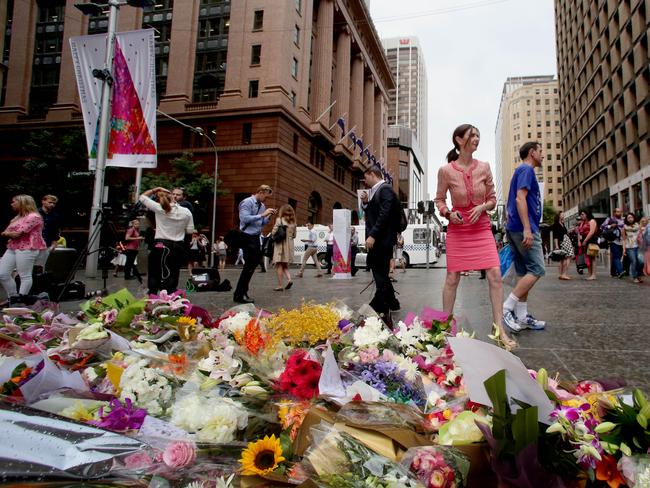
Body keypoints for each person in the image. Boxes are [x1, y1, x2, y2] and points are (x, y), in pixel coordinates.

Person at [435, 124, 516, 350]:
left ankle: (499, 328)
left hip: (481, 227)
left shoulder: (485, 167)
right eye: (472, 135)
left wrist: (482, 208)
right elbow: (439, 200)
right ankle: (443, 329)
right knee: (452, 278)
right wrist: (448, 213)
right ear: (459, 140)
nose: (477, 139)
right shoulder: (446, 171)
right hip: (457, 230)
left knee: (495, 274)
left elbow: (491, 198)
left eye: (479, 135)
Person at [502, 141, 547, 335]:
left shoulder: (521, 171)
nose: (543, 155)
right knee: (537, 269)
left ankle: (522, 316)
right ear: (532, 153)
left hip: (515, 227)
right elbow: (520, 199)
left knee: (524, 272)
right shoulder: (526, 170)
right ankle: (506, 308)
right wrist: (528, 229)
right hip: (523, 228)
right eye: (541, 151)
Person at [361, 166, 401, 321]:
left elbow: (384, 215)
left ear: (372, 174)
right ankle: (392, 302)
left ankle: (379, 305)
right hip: (381, 240)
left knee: (379, 272)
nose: (365, 181)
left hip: (381, 240)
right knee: (380, 272)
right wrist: (365, 203)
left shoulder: (384, 189)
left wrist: (372, 235)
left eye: (366, 177)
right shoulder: (378, 191)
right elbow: (374, 214)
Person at [139, 187, 194, 294]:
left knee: (155, 272)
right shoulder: (186, 212)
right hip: (177, 246)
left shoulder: (160, 208)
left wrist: (156, 189)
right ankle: (170, 297)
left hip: (160, 244)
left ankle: (153, 296)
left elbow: (142, 197)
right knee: (173, 272)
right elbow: (189, 231)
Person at [233, 185, 276, 303]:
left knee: (252, 265)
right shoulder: (246, 202)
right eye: (266, 197)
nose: (266, 200)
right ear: (260, 192)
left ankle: (242, 292)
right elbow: (244, 219)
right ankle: (239, 294)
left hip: (256, 237)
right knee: (249, 266)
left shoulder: (262, 206)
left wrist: (268, 217)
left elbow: (261, 223)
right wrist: (262, 215)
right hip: (247, 236)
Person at [0, 195, 47, 301]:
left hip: (28, 247)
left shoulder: (34, 216)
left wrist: (7, 233)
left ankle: (21, 298)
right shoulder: (18, 217)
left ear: (22, 203)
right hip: (13, 246)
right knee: (2, 273)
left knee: (24, 275)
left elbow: (18, 234)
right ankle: (13, 297)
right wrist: (8, 233)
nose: (12, 204)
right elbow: (7, 232)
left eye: (14, 202)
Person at [271, 204, 297, 291]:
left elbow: (273, 232)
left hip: (280, 245)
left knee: (279, 265)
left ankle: (280, 285)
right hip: (289, 246)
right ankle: (289, 280)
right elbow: (294, 235)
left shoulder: (279, 220)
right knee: (285, 265)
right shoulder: (293, 223)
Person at [36, 194, 60, 270]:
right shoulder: (35, 213)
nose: (52, 205)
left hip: (46, 243)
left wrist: (55, 241)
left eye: (54, 203)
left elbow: (55, 229)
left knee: (41, 266)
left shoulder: (55, 215)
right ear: (43, 201)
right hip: (33, 243)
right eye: (50, 202)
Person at [600, 207, 624, 277]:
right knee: (616, 256)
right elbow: (601, 227)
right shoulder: (610, 219)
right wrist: (610, 226)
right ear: (614, 213)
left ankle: (613, 272)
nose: (619, 213)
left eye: (620, 212)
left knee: (617, 256)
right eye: (617, 212)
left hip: (622, 241)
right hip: (613, 240)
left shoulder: (623, 220)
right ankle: (620, 271)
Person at [577, 209, 598, 281]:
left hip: (591, 240)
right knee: (588, 258)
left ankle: (593, 274)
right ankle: (590, 274)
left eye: (583, 214)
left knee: (592, 257)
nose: (581, 216)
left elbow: (592, 232)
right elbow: (579, 232)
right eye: (581, 215)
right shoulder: (583, 222)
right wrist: (580, 241)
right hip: (584, 241)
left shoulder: (592, 221)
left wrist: (585, 240)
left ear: (587, 214)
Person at [552, 211, 574, 280]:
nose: (563, 215)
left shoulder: (562, 223)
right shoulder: (556, 224)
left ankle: (562, 274)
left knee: (564, 258)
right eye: (562, 214)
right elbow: (555, 236)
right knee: (565, 257)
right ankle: (563, 274)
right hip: (563, 242)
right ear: (558, 216)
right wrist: (556, 246)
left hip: (566, 242)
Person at [621, 212, 642, 284]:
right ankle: (635, 277)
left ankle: (638, 275)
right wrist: (624, 249)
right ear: (626, 219)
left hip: (638, 246)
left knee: (641, 262)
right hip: (629, 247)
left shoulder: (638, 226)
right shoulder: (624, 228)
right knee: (634, 261)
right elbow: (623, 239)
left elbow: (641, 236)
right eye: (628, 218)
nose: (630, 219)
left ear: (634, 218)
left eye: (631, 217)